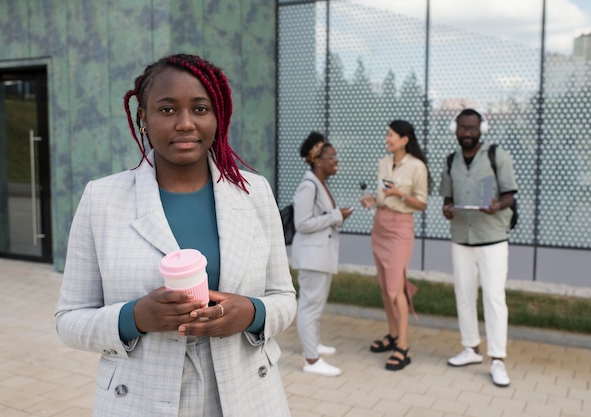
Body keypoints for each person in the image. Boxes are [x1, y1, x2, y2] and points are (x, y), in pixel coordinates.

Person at [55, 53, 297, 416]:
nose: (185, 123)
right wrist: (133, 318)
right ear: (144, 118)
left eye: (200, 109)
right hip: (141, 400)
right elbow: (69, 320)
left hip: (245, 397)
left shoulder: (253, 192)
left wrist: (252, 312)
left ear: (219, 116)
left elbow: (284, 297)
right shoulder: (101, 199)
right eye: (167, 110)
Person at [439, 108, 518, 388]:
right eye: (462, 128)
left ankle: (497, 359)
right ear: (455, 129)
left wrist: (497, 204)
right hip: (461, 237)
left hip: (492, 238)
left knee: (494, 298)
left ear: (481, 129)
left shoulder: (498, 156)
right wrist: (447, 209)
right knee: (464, 294)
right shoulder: (451, 161)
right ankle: (471, 348)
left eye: (472, 128)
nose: (467, 133)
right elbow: (447, 199)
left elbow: (509, 195)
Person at [360, 120, 428, 371]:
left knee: (394, 289)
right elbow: (381, 196)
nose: (387, 139)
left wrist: (399, 194)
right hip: (380, 226)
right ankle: (392, 335)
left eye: (391, 135)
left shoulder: (417, 167)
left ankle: (403, 346)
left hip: (400, 229)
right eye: (386, 134)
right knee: (385, 287)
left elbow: (422, 204)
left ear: (404, 140)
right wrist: (372, 200)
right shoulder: (383, 163)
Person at [290, 132, 353, 377]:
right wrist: (337, 216)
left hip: (320, 256)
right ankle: (312, 360)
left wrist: (336, 216)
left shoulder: (319, 184)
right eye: (331, 156)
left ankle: (313, 344)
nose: (336, 160)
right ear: (317, 160)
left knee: (316, 305)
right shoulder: (308, 185)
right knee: (309, 306)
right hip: (312, 257)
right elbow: (302, 223)